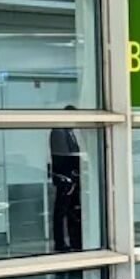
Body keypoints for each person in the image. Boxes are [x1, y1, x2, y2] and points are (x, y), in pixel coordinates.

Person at [49, 107, 82, 252]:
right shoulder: (59, 131)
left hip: (73, 177)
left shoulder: (70, 132)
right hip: (65, 178)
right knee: (61, 212)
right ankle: (60, 242)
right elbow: (62, 156)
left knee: (72, 211)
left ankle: (75, 241)